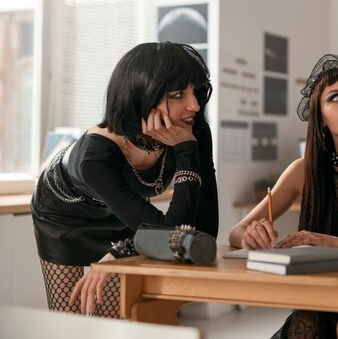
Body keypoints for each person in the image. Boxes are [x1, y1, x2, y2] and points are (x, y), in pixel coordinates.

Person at [31, 42, 219, 317]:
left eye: (196, 91)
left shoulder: (192, 132)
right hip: (62, 214)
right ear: (141, 96)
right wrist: (135, 244)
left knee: (115, 322)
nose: (195, 105)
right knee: (67, 322)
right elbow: (169, 233)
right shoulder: (95, 158)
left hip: (125, 213)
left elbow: (202, 231)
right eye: (178, 94)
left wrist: (187, 150)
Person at [229, 54, 338, 339]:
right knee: (308, 325)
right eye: (335, 98)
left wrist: (336, 244)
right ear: (321, 118)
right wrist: (249, 236)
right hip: (317, 304)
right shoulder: (302, 172)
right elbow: (236, 231)